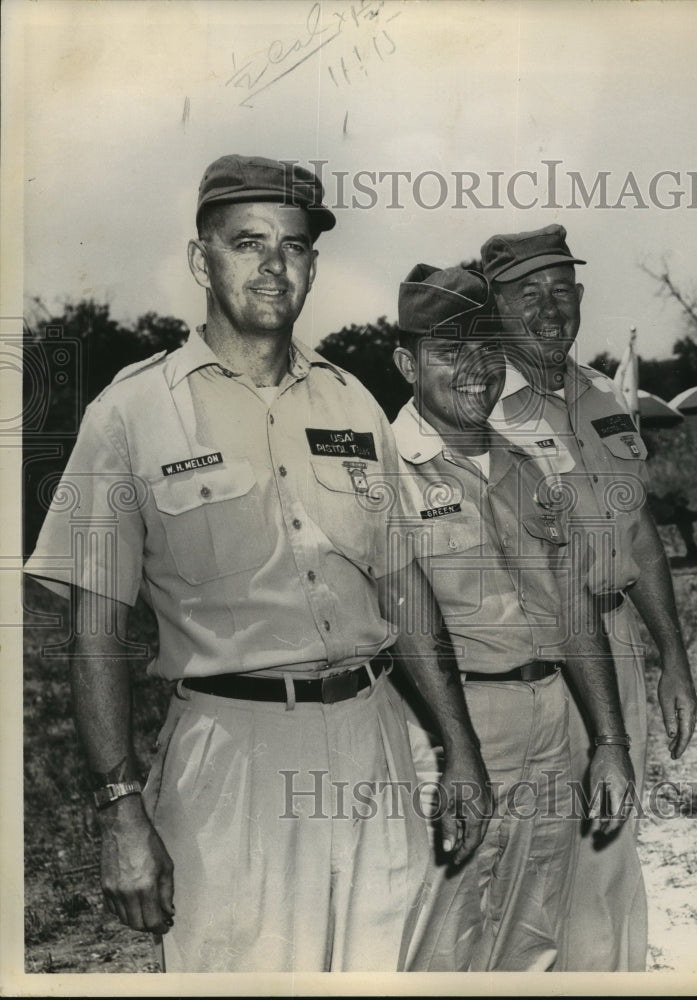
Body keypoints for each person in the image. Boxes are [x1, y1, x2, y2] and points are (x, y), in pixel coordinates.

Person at [24, 155, 490, 973]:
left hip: (372, 742)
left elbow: (403, 591)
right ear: (202, 261)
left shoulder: (352, 401)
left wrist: (460, 747)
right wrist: (118, 809)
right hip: (230, 761)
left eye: (296, 246)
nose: (275, 266)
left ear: (313, 264)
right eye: (249, 243)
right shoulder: (129, 414)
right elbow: (93, 631)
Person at [389, 263, 636, 971]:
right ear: (407, 363)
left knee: (535, 934)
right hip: (451, 728)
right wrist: (458, 749)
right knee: (444, 936)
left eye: (487, 349)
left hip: (550, 718)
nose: (476, 370)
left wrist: (609, 742)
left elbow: (572, 611)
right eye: (448, 351)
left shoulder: (530, 468)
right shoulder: (381, 470)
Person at [480, 224, 697, 971]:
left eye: (562, 290)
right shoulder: (476, 406)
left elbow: (638, 538)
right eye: (526, 294)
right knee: (538, 876)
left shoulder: (607, 395)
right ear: (491, 308)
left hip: (619, 653)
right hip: (536, 667)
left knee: (611, 857)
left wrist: (673, 658)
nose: (550, 309)